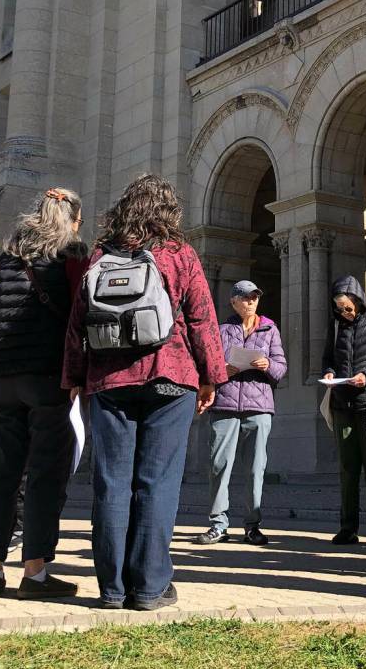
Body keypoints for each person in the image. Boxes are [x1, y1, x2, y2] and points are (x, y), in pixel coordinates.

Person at [63, 174, 226, 611]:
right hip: (171, 380)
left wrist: (75, 379)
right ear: (168, 211)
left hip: (109, 383)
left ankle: (112, 589)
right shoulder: (179, 255)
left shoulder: (101, 255)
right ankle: (151, 587)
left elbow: (77, 325)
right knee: (157, 483)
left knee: (111, 484)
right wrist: (212, 376)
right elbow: (202, 321)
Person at [0, 188, 89, 599]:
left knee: (3, 472)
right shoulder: (72, 253)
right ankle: (36, 574)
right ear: (72, 219)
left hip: (2, 374)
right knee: (44, 474)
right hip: (45, 374)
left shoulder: (9, 255)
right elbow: (80, 313)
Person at [195, 281, 287, 547]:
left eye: (255, 298)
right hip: (224, 404)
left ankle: (252, 525)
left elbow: (281, 368)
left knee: (255, 468)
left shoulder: (270, 329)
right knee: (218, 465)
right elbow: (208, 365)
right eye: (245, 298)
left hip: (258, 407)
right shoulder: (222, 330)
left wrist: (267, 364)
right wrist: (222, 369)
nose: (251, 302)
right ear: (233, 302)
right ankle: (218, 525)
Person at [322, 276, 366, 546]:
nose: (344, 312)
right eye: (339, 308)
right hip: (343, 405)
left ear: (358, 302)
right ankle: (348, 528)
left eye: (347, 307)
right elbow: (327, 358)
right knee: (348, 470)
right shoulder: (336, 326)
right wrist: (328, 373)